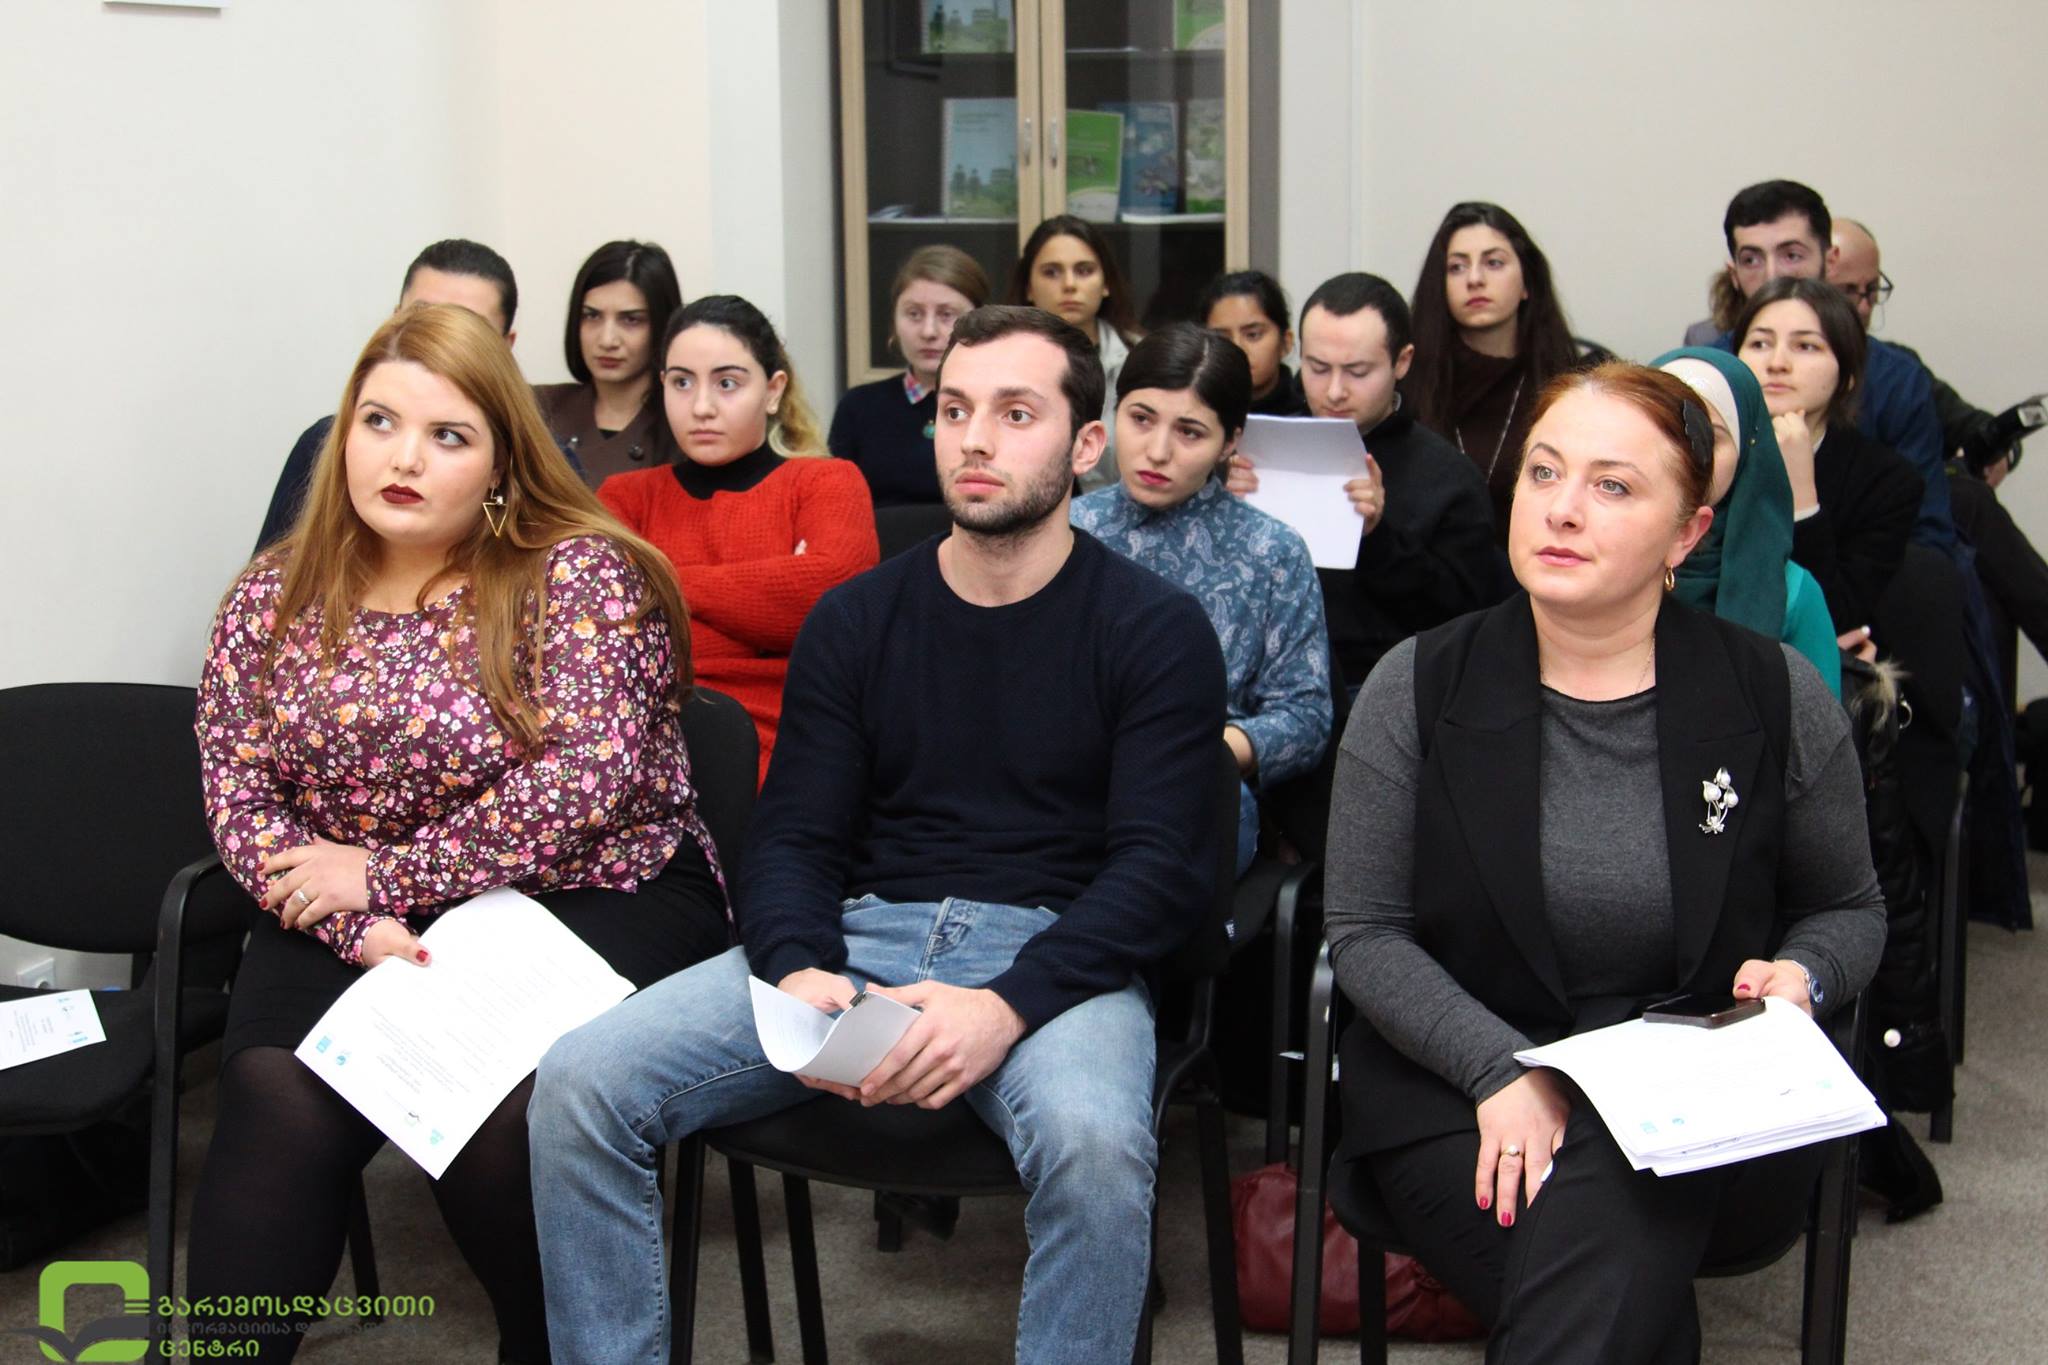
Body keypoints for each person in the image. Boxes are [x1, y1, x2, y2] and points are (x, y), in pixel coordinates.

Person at [529, 304, 1228, 1363]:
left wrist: (1004, 1005)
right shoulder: (855, 619)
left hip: (1057, 957)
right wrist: (798, 967)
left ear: (1086, 445)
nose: (975, 439)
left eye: (1015, 413)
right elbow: (792, 837)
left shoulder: (1154, 627)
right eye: (955, 410)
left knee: (1094, 1148)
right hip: (857, 938)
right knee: (580, 1082)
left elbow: (1159, 870)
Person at [188, 304, 730, 1362]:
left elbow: (588, 781)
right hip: (345, 896)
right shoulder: (271, 593)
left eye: (447, 435)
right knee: (273, 1091)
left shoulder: (577, 573)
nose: (403, 458)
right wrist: (354, 923)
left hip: (591, 886)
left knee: (493, 1113)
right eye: (379, 422)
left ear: (500, 462)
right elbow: (239, 792)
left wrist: (387, 875)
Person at [1324, 362, 1886, 1363]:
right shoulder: (1418, 686)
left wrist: (1802, 974)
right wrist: (1496, 1068)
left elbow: (1848, 906)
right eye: (1543, 472)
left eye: (1612, 485)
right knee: (1617, 1280)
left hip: (1699, 1088)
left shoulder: (1770, 692)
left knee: (1621, 1196)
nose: (1562, 508)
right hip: (1459, 1085)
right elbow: (1365, 932)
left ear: (1686, 534)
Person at [1072, 322, 1331, 874]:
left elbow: (1305, 716)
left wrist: (1208, 750)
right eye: (1141, 419)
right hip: (1058, 774)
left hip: (1192, 786)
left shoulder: (1271, 550)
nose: (1157, 451)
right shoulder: (1069, 527)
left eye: (1190, 432)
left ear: (1230, 442)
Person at [597, 295, 877, 785]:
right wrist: (769, 617)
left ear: (773, 391)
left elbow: (837, 605)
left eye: (727, 383)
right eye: (682, 382)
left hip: (796, 740)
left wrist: (661, 583)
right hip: (646, 743)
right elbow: (599, 633)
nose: (701, 407)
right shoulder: (625, 497)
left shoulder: (827, 482)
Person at [1227, 272, 1502, 690]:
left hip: (1386, 688)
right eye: (1318, 368)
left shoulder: (1448, 478)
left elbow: (1466, 620)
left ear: (1402, 362)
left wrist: (1377, 535)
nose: (1335, 391)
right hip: (1263, 677)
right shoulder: (1264, 447)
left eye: (1357, 371)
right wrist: (1224, 512)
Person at [1684, 180, 1953, 549]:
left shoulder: (1896, 380)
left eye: (1792, 255)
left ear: (1831, 261)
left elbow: (1928, 541)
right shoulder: (1706, 371)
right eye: (1751, 260)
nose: (1773, 276)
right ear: (1734, 274)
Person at [256, 239, 536, 550]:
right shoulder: (322, 442)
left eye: (448, 436)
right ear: (394, 322)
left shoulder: (557, 551)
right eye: (378, 421)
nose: (437, 340)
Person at [1651, 345, 1844, 697]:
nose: (1686, 455)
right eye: (1665, 433)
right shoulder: (1589, 567)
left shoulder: (1793, 593)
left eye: (1711, 437)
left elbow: (1822, 726)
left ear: (1746, 452)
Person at [1732, 278, 1920, 636]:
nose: (1777, 363)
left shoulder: (1888, 482)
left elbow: (1835, 616)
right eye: (1759, 343)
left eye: (1806, 346)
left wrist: (1802, 498)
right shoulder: (1705, 453)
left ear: (1847, 376)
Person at [1405, 203, 1598, 539]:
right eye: (1456, 267)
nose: (1475, 279)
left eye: (1493, 263)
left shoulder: (1573, 383)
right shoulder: (1407, 382)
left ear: (1527, 283)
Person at [828, 243, 991, 506]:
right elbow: (834, 506)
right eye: (914, 314)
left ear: (980, 322)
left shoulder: (999, 408)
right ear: (894, 322)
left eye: (946, 315)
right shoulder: (858, 407)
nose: (928, 331)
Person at [533, 239, 683, 487]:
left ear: (662, 325)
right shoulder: (538, 408)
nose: (607, 340)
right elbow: (496, 501)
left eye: (631, 320)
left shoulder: (685, 424)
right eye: (592, 316)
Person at [1008, 214, 1142, 489]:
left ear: (1106, 284)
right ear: (1029, 288)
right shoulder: (1000, 363)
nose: (1069, 284)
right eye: (1051, 272)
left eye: (1084, 270)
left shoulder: (1143, 359)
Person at [1198, 269, 1308, 417]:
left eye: (1253, 335)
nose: (1238, 348)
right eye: (1222, 338)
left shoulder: (1310, 417)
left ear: (1286, 342)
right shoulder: (1191, 414)